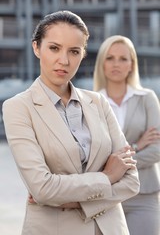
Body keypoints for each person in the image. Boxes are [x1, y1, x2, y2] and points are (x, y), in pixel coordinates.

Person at [2, 12, 139, 235]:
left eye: (74, 51)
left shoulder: (99, 102)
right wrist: (107, 177)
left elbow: (132, 182)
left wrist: (74, 202)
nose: (64, 60)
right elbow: (43, 188)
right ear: (37, 48)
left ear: (82, 54)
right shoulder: (17, 108)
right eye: (54, 48)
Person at [93, 35, 160, 235]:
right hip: (105, 196)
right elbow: (91, 156)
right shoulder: (91, 103)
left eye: (123, 58)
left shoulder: (147, 98)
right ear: (101, 64)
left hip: (144, 193)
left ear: (132, 64)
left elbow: (157, 150)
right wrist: (138, 145)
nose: (116, 64)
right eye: (110, 58)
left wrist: (115, 164)